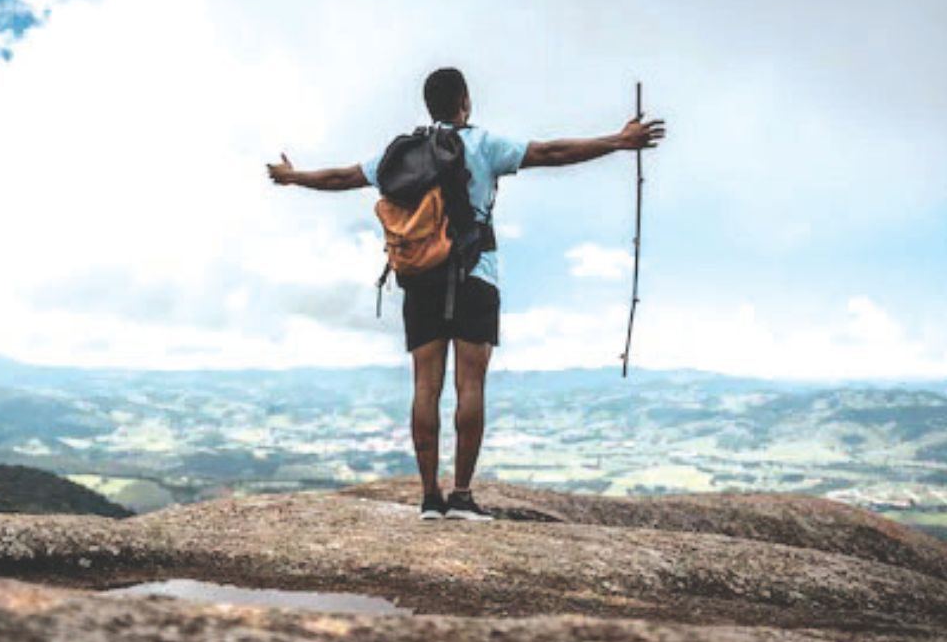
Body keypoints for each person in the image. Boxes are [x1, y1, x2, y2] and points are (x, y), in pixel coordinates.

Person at [266, 67, 664, 521]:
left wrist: (293, 176)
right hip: (476, 273)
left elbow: (341, 178)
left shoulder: (400, 153)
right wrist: (618, 140)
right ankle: (460, 497)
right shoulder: (482, 145)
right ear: (465, 102)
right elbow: (551, 151)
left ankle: (429, 498)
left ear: (429, 105)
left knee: (425, 386)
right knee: (469, 385)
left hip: (420, 280)